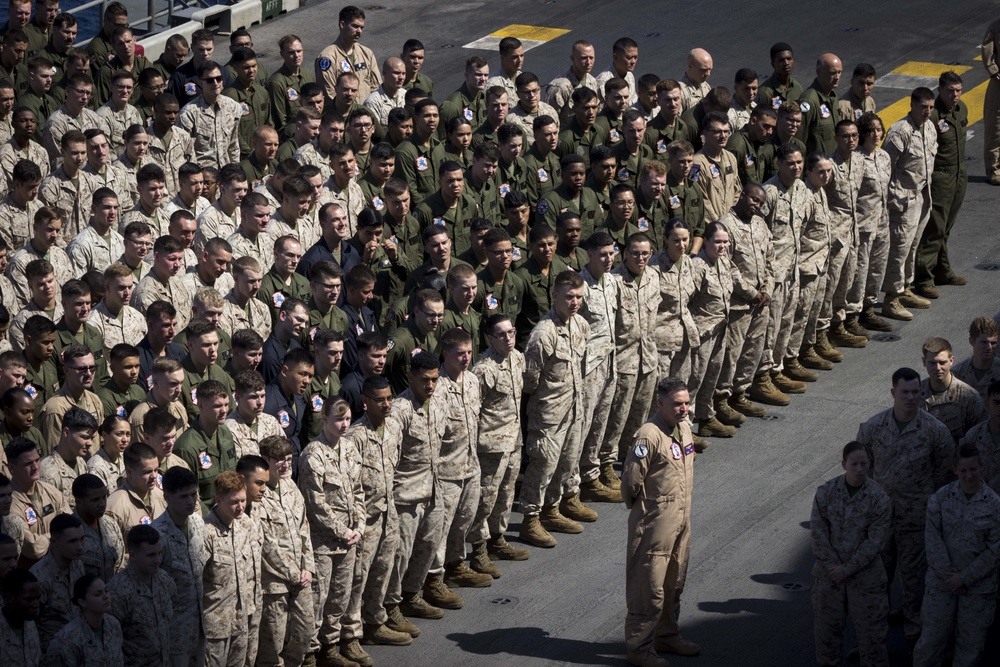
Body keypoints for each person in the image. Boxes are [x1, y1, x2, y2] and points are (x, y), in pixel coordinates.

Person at [855, 366, 953, 649]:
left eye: (915, 392)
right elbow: (863, 470)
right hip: (881, 522)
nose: (911, 398)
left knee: (914, 584)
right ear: (893, 393)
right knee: (875, 582)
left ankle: (914, 640)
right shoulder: (873, 428)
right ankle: (870, 640)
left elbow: (943, 476)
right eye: (904, 392)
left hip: (916, 520)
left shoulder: (935, 431)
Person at [622, 377, 698, 667]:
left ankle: (667, 635)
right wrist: (648, 511)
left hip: (681, 521)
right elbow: (630, 482)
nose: (684, 409)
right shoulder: (648, 435)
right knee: (649, 587)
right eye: (677, 404)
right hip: (655, 524)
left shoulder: (684, 429)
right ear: (661, 404)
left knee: (674, 582)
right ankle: (640, 648)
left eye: (686, 403)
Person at [518, 271, 591, 548]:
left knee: (567, 462)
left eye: (579, 297)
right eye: (569, 297)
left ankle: (552, 510)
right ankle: (530, 520)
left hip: (573, 409)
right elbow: (530, 380)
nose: (575, 302)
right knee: (542, 467)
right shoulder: (543, 333)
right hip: (548, 413)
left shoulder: (581, 325)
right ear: (555, 296)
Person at [810, 441, 891, 667]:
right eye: (854, 463)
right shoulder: (826, 492)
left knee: (872, 639)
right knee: (827, 638)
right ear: (843, 464)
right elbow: (817, 532)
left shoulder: (879, 498)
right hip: (830, 578)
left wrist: (846, 569)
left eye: (863, 463)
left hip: (865, 579)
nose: (859, 469)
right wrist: (833, 566)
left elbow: (875, 541)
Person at [299, 397, 364, 667]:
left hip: (348, 539)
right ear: (324, 419)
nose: (344, 424)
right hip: (323, 542)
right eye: (338, 419)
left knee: (340, 597)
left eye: (348, 418)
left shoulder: (349, 448)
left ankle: (331, 646)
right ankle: (310, 653)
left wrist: (359, 526)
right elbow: (316, 504)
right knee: (317, 599)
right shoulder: (312, 455)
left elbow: (359, 490)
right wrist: (343, 531)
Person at [882, 88, 937, 319]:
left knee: (912, 246)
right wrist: (892, 199)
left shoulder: (930, 128)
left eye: (931, 107)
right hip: (903, 200)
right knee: (899, 249)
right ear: (912, 105)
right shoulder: (900, 132)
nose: (927, 112)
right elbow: (886, 167)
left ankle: (905, 288)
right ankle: (891, 299)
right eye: (923, 107)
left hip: (923, 197)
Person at [915, 71, 968, 294]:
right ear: (940, 90)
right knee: (934, 227)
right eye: (950, 91)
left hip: (958, 173)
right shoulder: (933, 114)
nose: (955, 95)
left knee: (947, 226)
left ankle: (942, 269)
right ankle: (923, 278)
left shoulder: (961, 108)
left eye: (958, 90)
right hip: (940, 175)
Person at [153, 465, 206, 667]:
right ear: (167, 497)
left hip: (198, 623)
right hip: (173, 628)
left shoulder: (197, 524)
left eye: (193, 495)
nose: (191, 501)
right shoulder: (157, 535)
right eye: (184, 497)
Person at [202, 471, 255, 666]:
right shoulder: (205, 533)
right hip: (215, 626)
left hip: (241, 620)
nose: (240, 507)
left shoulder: (246, 525)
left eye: (243, 500)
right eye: (234, 502)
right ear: (218, 499)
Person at [107, 525, 174, 667]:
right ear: (133, 555)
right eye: (151, 555)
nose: (157, 560)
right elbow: (110, 638)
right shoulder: (118, 590)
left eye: (159, 553)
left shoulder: (163, 579)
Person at [28, 512, 85, 651]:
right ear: (54, 542)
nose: (80, 546)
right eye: (72, 541)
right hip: (51, 651)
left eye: (82, 539)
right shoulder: (40, 577)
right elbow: (30, 624)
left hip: (77, 646)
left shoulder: (77, 565)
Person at [919, 337, 986, 444]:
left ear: (951, 361)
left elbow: (981, 436)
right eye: (932, 363)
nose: (937, 368)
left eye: (942, 362)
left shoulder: (968, 397)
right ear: (924, 362)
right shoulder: (915, 393)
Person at [48, 573, 124, 666]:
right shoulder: (67, 640)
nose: (106, 596)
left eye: (106, 591)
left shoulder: (113, 625)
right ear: (82, 602)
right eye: (98, 594)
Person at [71, 473, 125, 582]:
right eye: (95, 500)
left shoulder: (111, 525)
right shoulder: (69, 532)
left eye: (104, 497)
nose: (102, 504)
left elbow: (120, 564)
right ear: (78, 502)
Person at [0, 568, 42, 666]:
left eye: (37, 598)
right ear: (10, 598)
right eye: (29, 599)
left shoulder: (30, 623)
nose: (36, 604)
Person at [952, 316, 1000, 398]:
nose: (989, 347)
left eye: (993, 343)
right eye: (984, 342)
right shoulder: (957, 374)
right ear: (972, 341)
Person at [981, 18, 1000, 185]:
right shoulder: (995, 26)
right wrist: (994, 72)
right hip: (999, 83)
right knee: (995, 126)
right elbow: (988, 51)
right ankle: (995, 169)